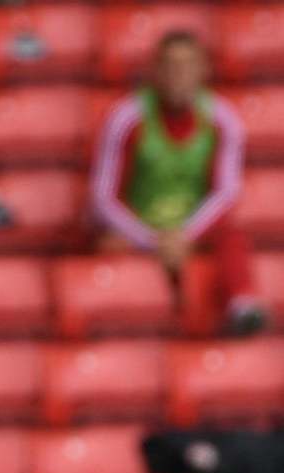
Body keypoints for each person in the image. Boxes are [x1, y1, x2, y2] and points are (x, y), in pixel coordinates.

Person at [90, 32, 267, 337]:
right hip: (139, 227)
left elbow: (226, 193)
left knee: (232, 237)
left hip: (192, 229)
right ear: (155, 71)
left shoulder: (222, 119)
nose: (178, 76)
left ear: (203, 71)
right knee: (106, 247)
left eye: (187, 66)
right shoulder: (127, 118)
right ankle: (122, 340)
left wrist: (184, 235)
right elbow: (102, 198)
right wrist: (151, 238)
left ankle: (242, 305)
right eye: (170, 66)